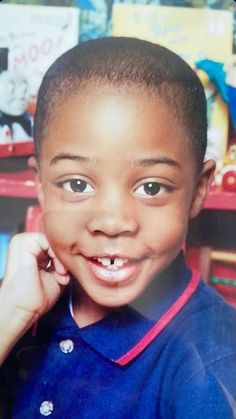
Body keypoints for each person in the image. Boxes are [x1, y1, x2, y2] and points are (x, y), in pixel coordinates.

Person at [0, 37, 235, 418]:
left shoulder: (214, 363)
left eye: (152, 187)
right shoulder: (19, 302)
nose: (112, 223)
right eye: (77, 185)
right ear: (41, 187)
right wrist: (9, 313)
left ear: (198, 190)